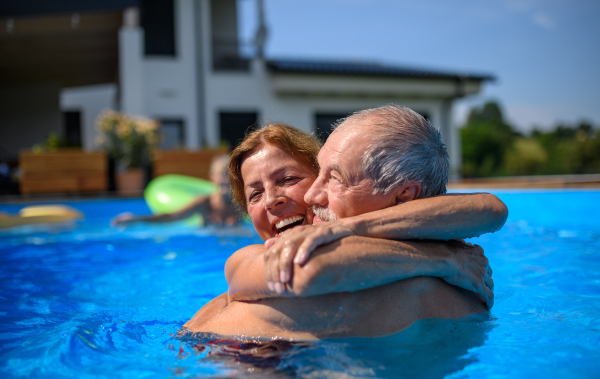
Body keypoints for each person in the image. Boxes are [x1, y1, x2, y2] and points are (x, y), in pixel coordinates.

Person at [184, 109, 507, 339]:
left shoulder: (463, 271)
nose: (313, 195)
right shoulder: (465, 270)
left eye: (290, 179)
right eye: (253, 195)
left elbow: (491, 208)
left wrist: (343, 228)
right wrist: (444, 261)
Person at [112, 154, 240, 226]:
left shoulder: (241, 205)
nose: (225, 180)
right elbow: (171, 217)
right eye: (221, 174)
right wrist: (136, 219)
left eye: (228, 175)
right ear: (211, 177)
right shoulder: (204, 203)